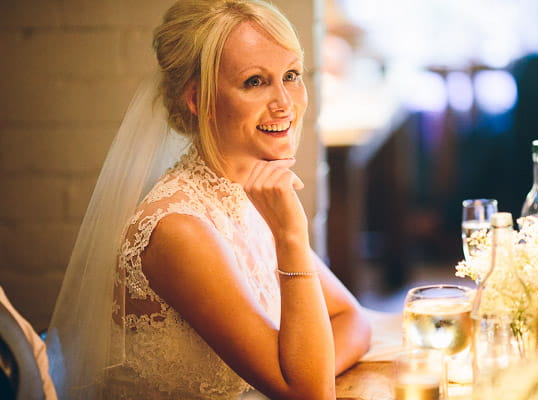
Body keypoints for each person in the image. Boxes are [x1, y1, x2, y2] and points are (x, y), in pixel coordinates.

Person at [46, 1, 372, 399]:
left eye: (290, 75)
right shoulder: (177, 229)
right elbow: (310, 393)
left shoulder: (247, 192)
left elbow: (351, 318)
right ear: (197, 100)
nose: (285, 102)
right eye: (255, 81)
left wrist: (302, 370)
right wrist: (290, 236)